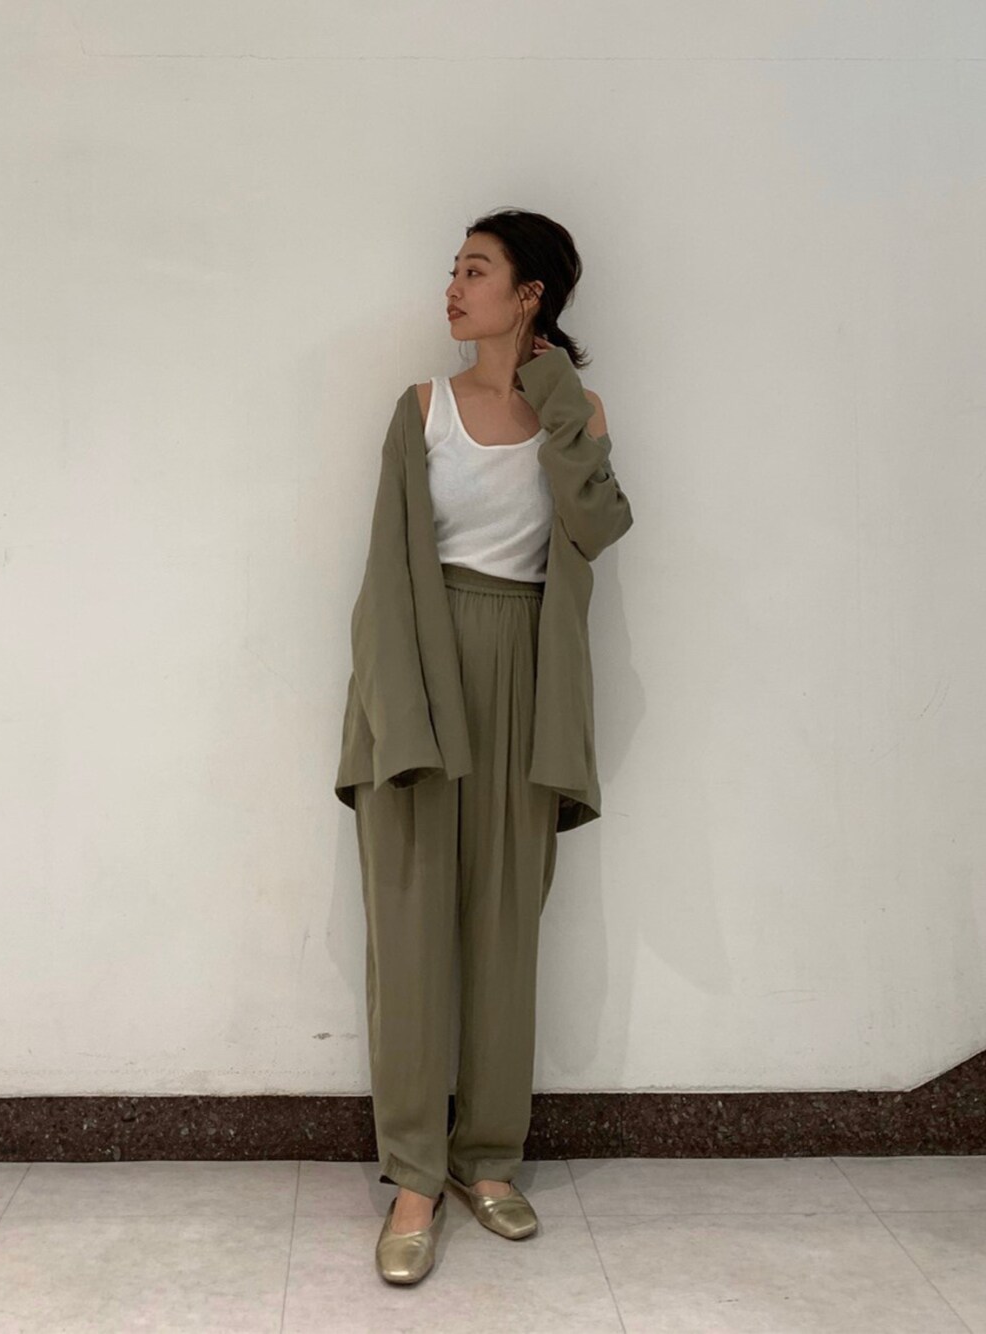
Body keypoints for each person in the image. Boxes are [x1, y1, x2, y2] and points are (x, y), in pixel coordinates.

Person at [339, 208, 634, 1284]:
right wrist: (394, 713)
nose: (452, 287)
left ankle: (489, 1158)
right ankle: (416, 1174)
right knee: (412, 932)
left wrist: (557, 401)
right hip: (420, 665)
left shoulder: (576, 411)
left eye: (476, 271)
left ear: (529, 296)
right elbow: (385, 570)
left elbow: (597, 526)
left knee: (505, 927)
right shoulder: (421, 409)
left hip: (526, 677)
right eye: (453, 269)